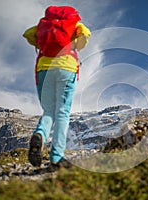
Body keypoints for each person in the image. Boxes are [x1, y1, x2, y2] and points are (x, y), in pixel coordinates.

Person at [23, 5, 91, 168]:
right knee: (62, 112)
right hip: (66, 67)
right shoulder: (75, 25)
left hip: (44, 69)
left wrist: (43, 45)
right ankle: (56, 157)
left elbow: (28, 35)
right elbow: (86, 35)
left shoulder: (43, 25)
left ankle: (39, 134)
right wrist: (75, 45)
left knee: (48, 111)